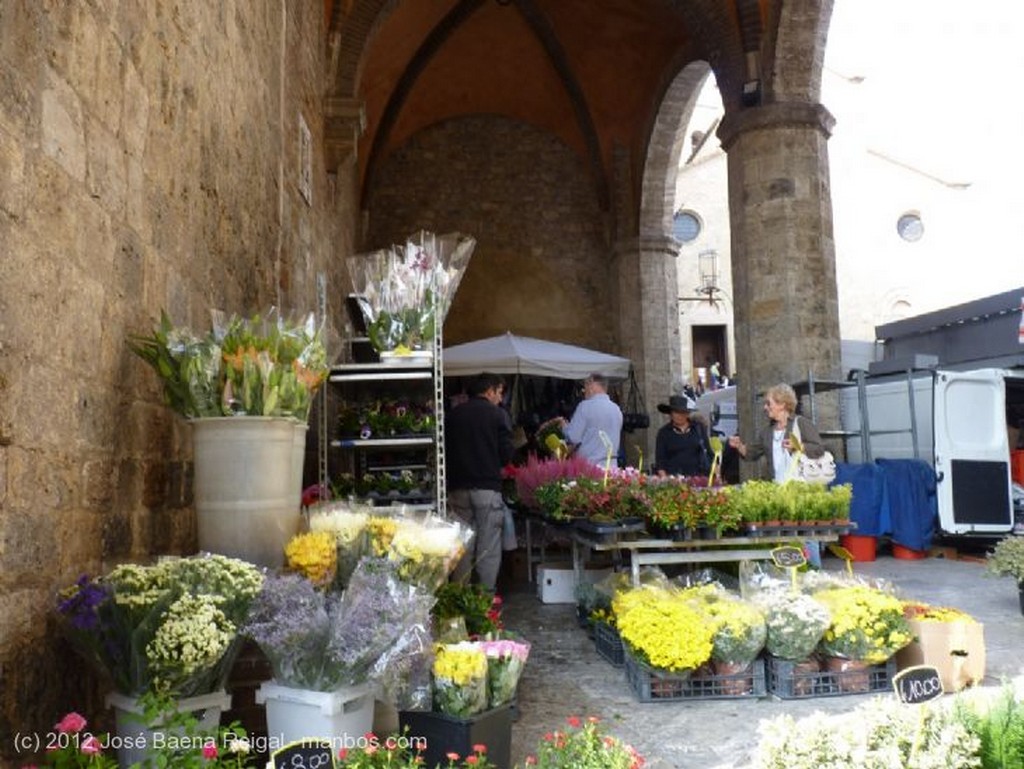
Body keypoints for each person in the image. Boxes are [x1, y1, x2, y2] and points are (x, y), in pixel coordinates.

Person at [728, 382, 826, 566]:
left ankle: (814, 573)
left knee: (807, 534)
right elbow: (751, 454)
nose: (766, 408)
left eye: (769, 403)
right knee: (786, 535)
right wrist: (739, 446)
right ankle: (793, 574)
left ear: (782, 404)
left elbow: (819, 449)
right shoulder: (767, 432)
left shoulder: (801, 424)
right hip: (779, 491)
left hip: (801, 490)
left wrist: (800, 447)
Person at [445, 372, 515, 589]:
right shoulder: (498, 415)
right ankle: (484, 602)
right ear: (489, 391)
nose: (500, 398)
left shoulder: (454, 415)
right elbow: (506, 454)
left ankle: (460, 597)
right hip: (487, 488)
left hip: (458, 488)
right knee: (488, 548)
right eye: (499, 392)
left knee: (462, 544)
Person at [559, 373, 623, 468]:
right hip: (612, 466)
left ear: (592, 385)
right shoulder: (616, 409)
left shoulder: (585, 407)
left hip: (589, 467)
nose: (584, 390)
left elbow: (574, 437)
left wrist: (564, 427)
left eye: (585, 385)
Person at [653, 395, 712, 477]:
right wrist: (665, 480)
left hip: (698, 479)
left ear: (687, 414)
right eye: (676, 412)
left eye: (682, 412)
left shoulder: (698, 429)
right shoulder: (664, 433)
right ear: (671, 414)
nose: (679, 416)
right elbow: (660, 461)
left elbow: (709, 452)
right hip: (674, 481)